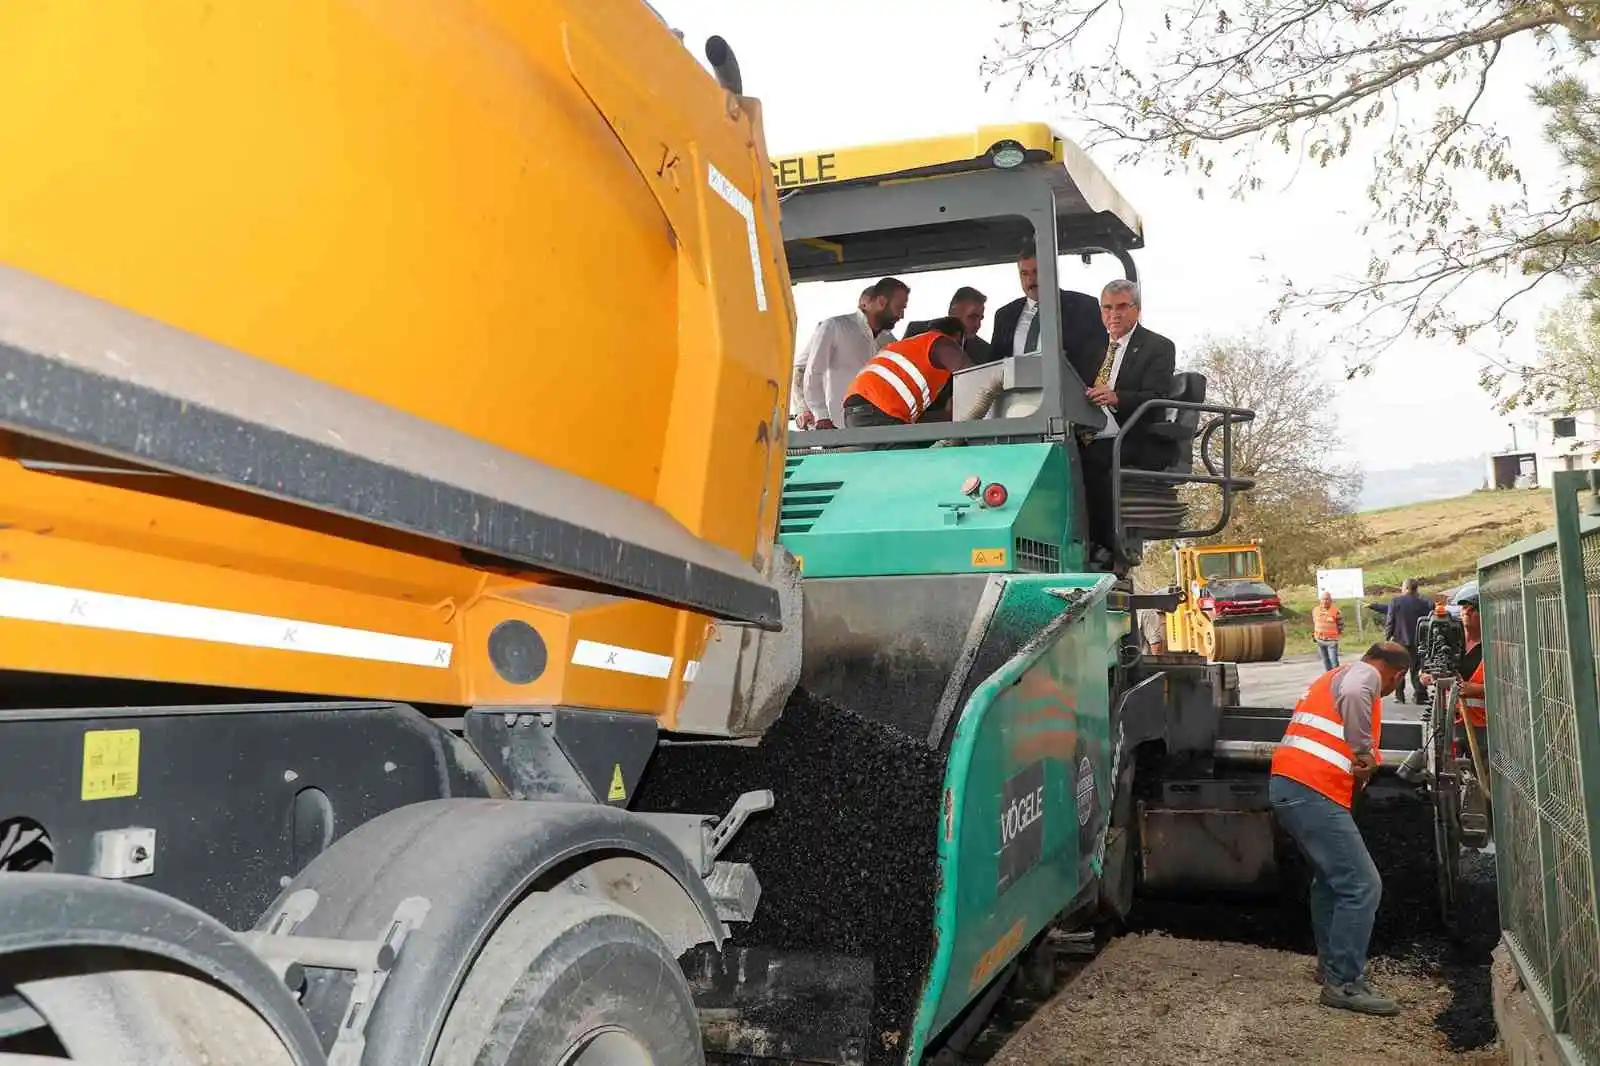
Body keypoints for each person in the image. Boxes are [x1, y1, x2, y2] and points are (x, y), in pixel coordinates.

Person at [1270, 641, 1413, 1017]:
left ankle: (1330, 968)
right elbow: (1356, 694)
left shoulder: (1336, 673)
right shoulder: (1363, 675)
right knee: (1362, 884)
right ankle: (1345, 983)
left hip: (1295, 786)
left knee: (1332, 882)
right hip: (1310, 788)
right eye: (1395, 682)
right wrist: (1363, 751)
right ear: (1396, 674)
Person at [1076, 279, 1178, 564]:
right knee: (1061, 453)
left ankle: (1103, 544)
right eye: (1107, 308)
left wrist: (1116, 397)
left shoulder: (1158, 346)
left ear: (1137, 309)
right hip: (1093, 429)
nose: (1114, 314)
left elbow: (1156, 397)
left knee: (1091, 460)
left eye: (1122, 307)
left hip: (1136, 434)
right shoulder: (1093, 350)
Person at [793, 277, 910, 430]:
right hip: (835, 428)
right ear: (881, 302)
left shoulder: (889, 341)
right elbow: (812, 371)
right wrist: (819, 415)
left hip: (879, 429)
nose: (901, 315)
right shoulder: (834, 327)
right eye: (899, 307)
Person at [988, 241, 1107, 379]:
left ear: (1051, 271)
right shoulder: (1005, 315)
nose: (1030, 279)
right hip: (1016, 398)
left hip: (1068, 394)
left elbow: (1100, 357)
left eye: (1036, 271)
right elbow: (993, 365)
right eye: (1024, 273)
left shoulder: (1083, 306)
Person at [838, 317, 973, 429]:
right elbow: (974, 375)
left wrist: (950, 415)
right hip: (880, 410)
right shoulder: (941, 342)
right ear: (957, 337)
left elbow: (918, 421)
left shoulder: (909, 348)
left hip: (854, 412)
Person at [904, 287, 993, 363]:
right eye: (972, 317)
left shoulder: (985, 351)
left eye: (980, 319)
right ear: (952, 312)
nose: (978, 325)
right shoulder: (917, 331)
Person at [1383, 579, 1432, 703]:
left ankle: (1400, 696)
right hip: (1419, 640)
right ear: (1416, 589)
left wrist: (1387, 637)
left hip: (1400, 640)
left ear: (1404, 588)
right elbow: (1427, 622)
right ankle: (1420, 695)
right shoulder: (1424, 603)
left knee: (1399, 669)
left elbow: (1390, 620)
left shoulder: (1396, 602)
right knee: (1417, 669)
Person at [1312, 591, 1344, 670]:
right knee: (1325, 661)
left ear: (1330, 600)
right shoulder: (1315, 610)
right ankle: (1328, 678)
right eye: (1323, 599)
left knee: (1334, 662)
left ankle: (1337, 678)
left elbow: (1340, 625)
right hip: (1320, 640)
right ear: (1320, 600)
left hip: (1331, 641)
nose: (1325, 601)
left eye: (1327, 599)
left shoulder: (1336, 611)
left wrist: (1336, 636)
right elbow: (1315, 622)